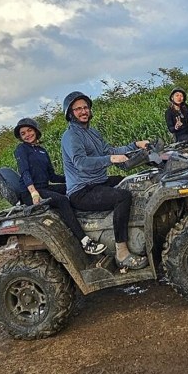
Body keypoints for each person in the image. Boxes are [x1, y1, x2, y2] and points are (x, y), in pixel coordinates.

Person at [60, 91, 150, 270]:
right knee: (122, 196)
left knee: (131, 181)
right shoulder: (71, 136)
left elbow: (110, 150)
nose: (83, 111)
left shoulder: (91, 132)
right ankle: (122, 252)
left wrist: (135, 145)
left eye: (85, 107)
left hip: (98, 182)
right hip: (82, 191)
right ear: (70, 114)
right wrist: (110, 160)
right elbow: (81, 163)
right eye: (78, 109)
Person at [13, 117, 107, 256]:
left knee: (75, 189)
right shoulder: (21, 149)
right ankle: (84, 241)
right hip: (30, 192)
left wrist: (74, 179)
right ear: (20, 137)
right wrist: (33, 192)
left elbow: (52, 176)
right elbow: (24, 171)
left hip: (45, 187)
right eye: (23, 133)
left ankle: (90, 222)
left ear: (36, 131)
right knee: (62, 200)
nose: (27, 135)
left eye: (29, 130)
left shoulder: (42, 151)